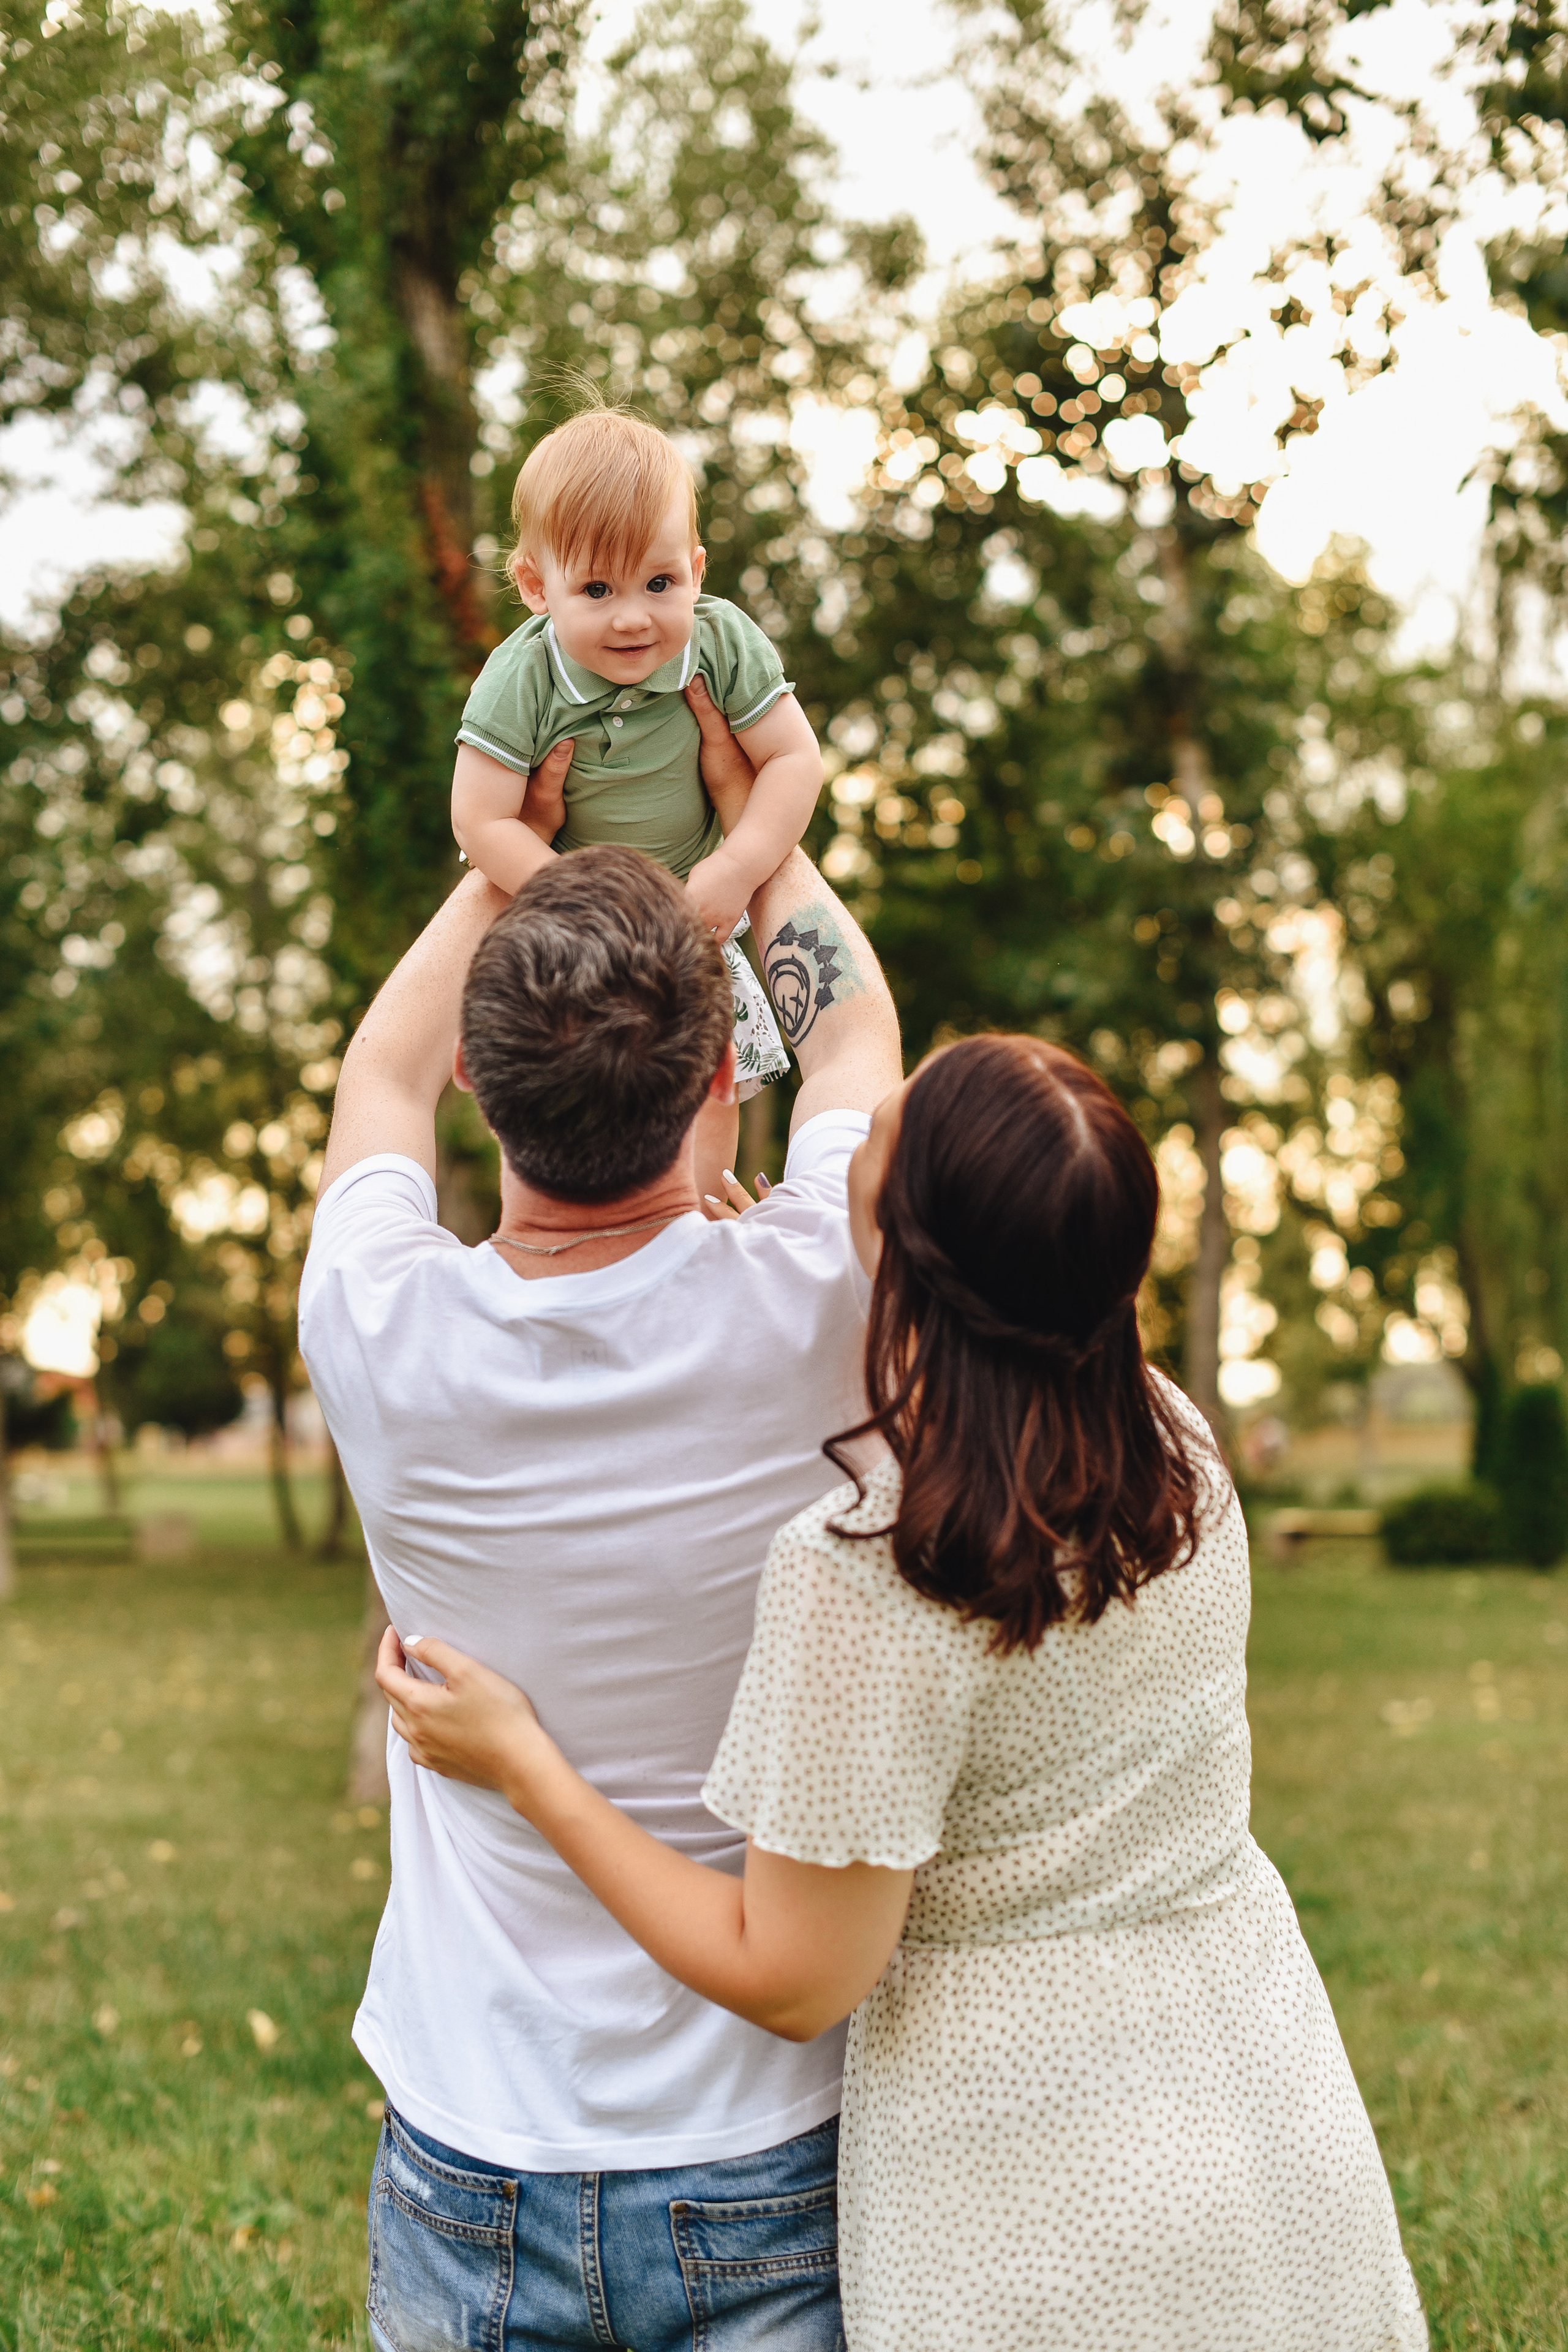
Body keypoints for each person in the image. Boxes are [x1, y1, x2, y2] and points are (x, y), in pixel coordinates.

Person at [377, 1035, 1430, 2352]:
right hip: (1257, 2106)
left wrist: (524, 1767)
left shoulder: (877, 1579)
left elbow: (791, 1975)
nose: (858, 1120)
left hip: (1031, 2190)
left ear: (899, 1255)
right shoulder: (1172, 1444)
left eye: (875, 1137)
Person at [298, 696, 900, 2351]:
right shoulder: (820, 1294)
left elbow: (377, 1071)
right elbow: (853, 1041)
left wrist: (505, 850)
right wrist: (754, 821)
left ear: (491, 1095)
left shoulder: (377, 1328)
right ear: (720, 1078)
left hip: (473, 2152)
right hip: (769, 2147)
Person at [451, 394, 826, 1190]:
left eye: (659, 582)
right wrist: (569, 892)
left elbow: (794, 759)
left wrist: (741, 865)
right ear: (535, 586)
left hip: (696, 904)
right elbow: (480, 819)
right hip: (568, 923)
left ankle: (690, 1223)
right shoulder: (521, 679)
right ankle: (567, 1222)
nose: (632, 619)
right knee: (560, 1095)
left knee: (711, 1078)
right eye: (596, 590)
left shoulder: (720, 641)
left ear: (695, 570)